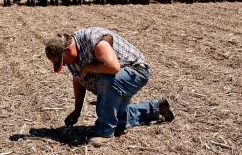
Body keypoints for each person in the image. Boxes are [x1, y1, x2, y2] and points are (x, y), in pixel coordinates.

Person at [45, 27, 174, 147]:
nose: (66, 65)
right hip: (117, 78)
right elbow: (78, 79)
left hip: (136, 71)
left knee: (106, 79)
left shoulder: (94, 41)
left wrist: (89, 68)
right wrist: (77, 110)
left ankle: (104, 132)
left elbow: (113, 68)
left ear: (67, 51)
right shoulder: (72, 57)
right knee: (116, 119)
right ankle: (156, 108)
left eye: (64, 62)